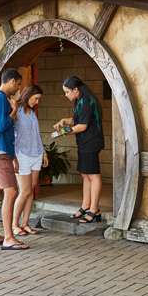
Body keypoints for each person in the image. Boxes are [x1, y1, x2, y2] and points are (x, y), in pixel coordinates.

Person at [0, 68, 28, 250]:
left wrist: (14, 156)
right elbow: (1, 125)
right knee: (11, 192)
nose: (18, 88)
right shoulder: (1, 98)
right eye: (17, 84)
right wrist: (14, 110)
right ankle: (9, 238)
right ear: (10, 81)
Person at [54, 76, 105, 223]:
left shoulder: (88, 100)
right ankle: (85, 206)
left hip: (91, 142)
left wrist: (62, 131)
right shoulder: (80, 100)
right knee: (85, 175)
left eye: (67, 92)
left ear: (75, 89)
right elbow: (79, 119)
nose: (66, 95)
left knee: (93, 175)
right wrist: (65, 120)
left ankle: (94, 209)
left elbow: (82, 126)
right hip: (83, 142)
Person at [12, 85, 44, 237]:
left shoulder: (32, 112)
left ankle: (25, 224)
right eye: (35, 98)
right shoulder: (16, 111)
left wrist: (43, 153)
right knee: (24, 191)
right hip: (22, 155)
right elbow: (10, 135)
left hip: (36, 154)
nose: (37, 102)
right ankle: (14, 225)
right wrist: (13, 157)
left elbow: (37, 134)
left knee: (30, 190)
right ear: (28, 95)